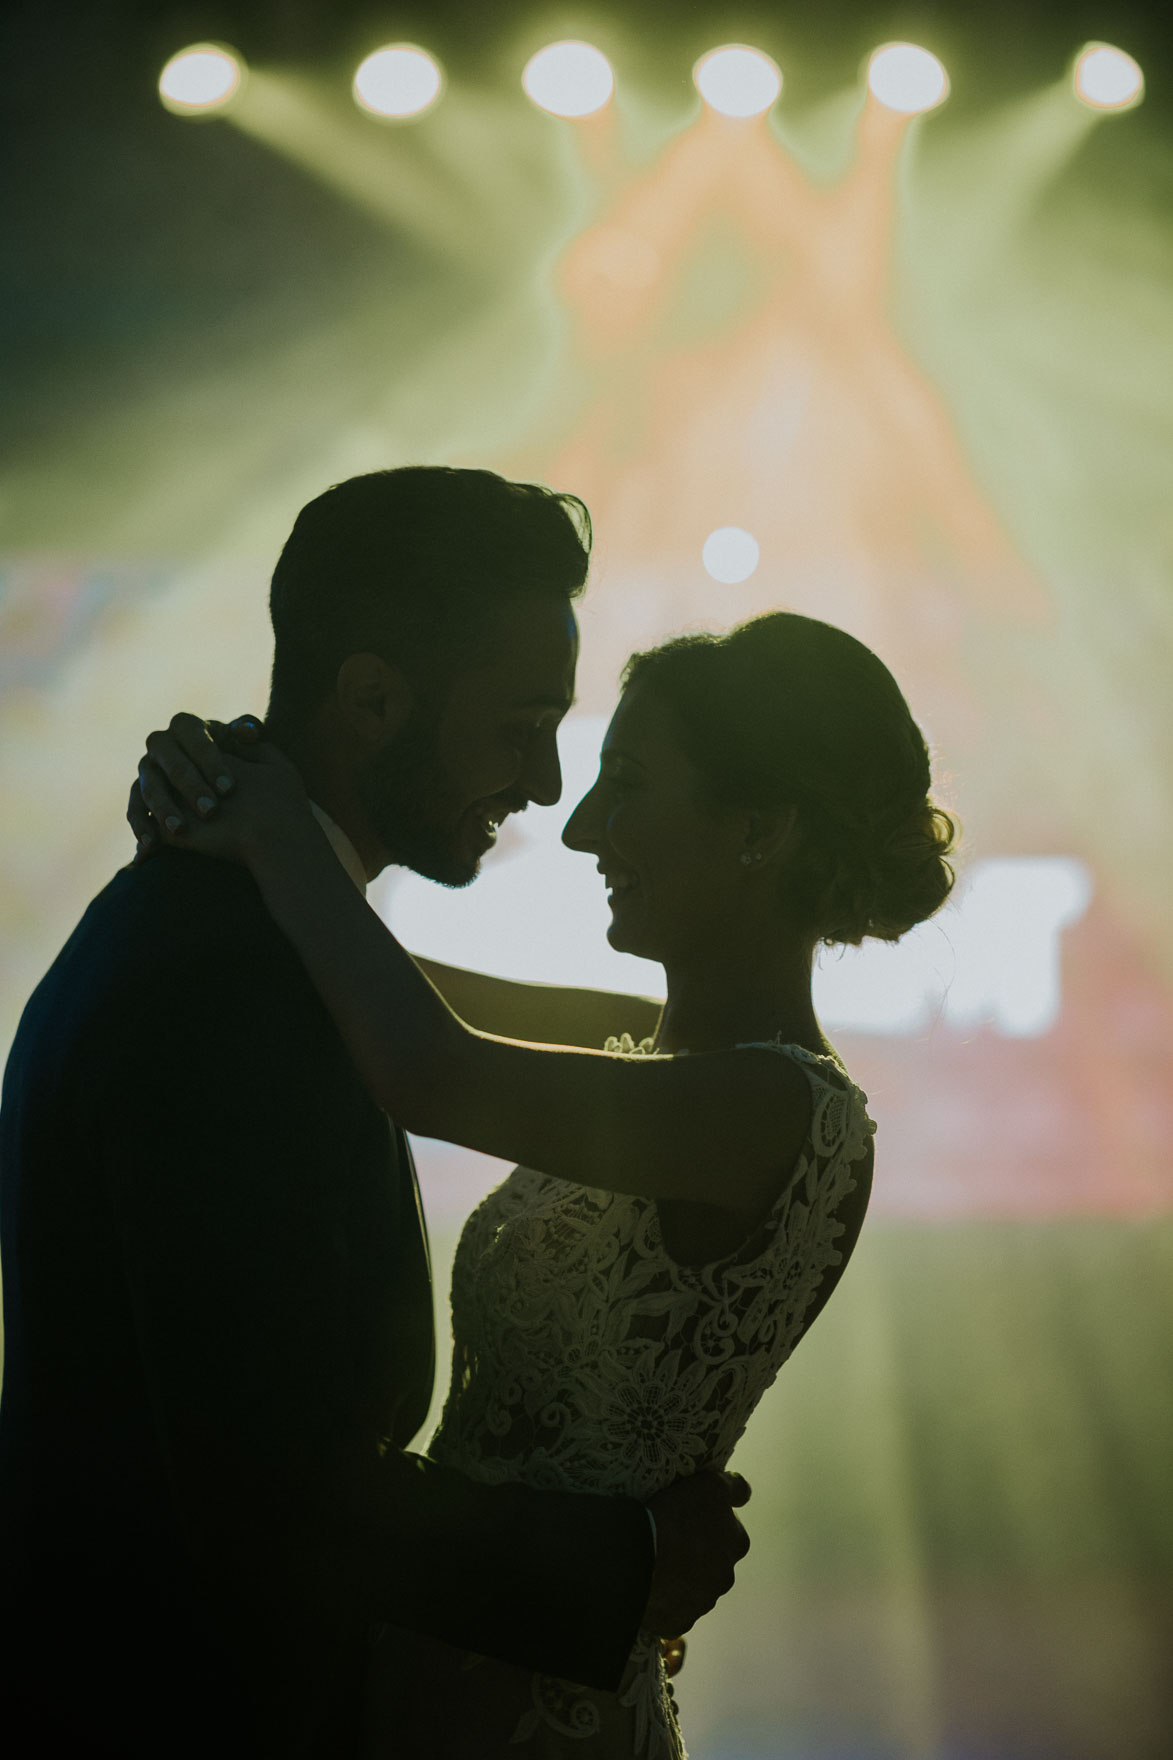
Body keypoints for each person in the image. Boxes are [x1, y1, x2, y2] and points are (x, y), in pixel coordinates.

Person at [0, 468, 752, 1760]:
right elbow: (274, 1501)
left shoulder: (250, 938)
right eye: (519, 723)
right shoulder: (223, 989)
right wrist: (619, 1564)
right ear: (370, 700)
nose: (544, 777)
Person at [126, 599, 958, 1757]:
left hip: (537, 1712)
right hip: (443, 1648)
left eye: (630, 783)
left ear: (756, 829)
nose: (582, 831)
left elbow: (427, 1069)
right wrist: (225, 801)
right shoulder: (657, 1054)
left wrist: (272, 831)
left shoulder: (775, 1114)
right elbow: (385, 984)